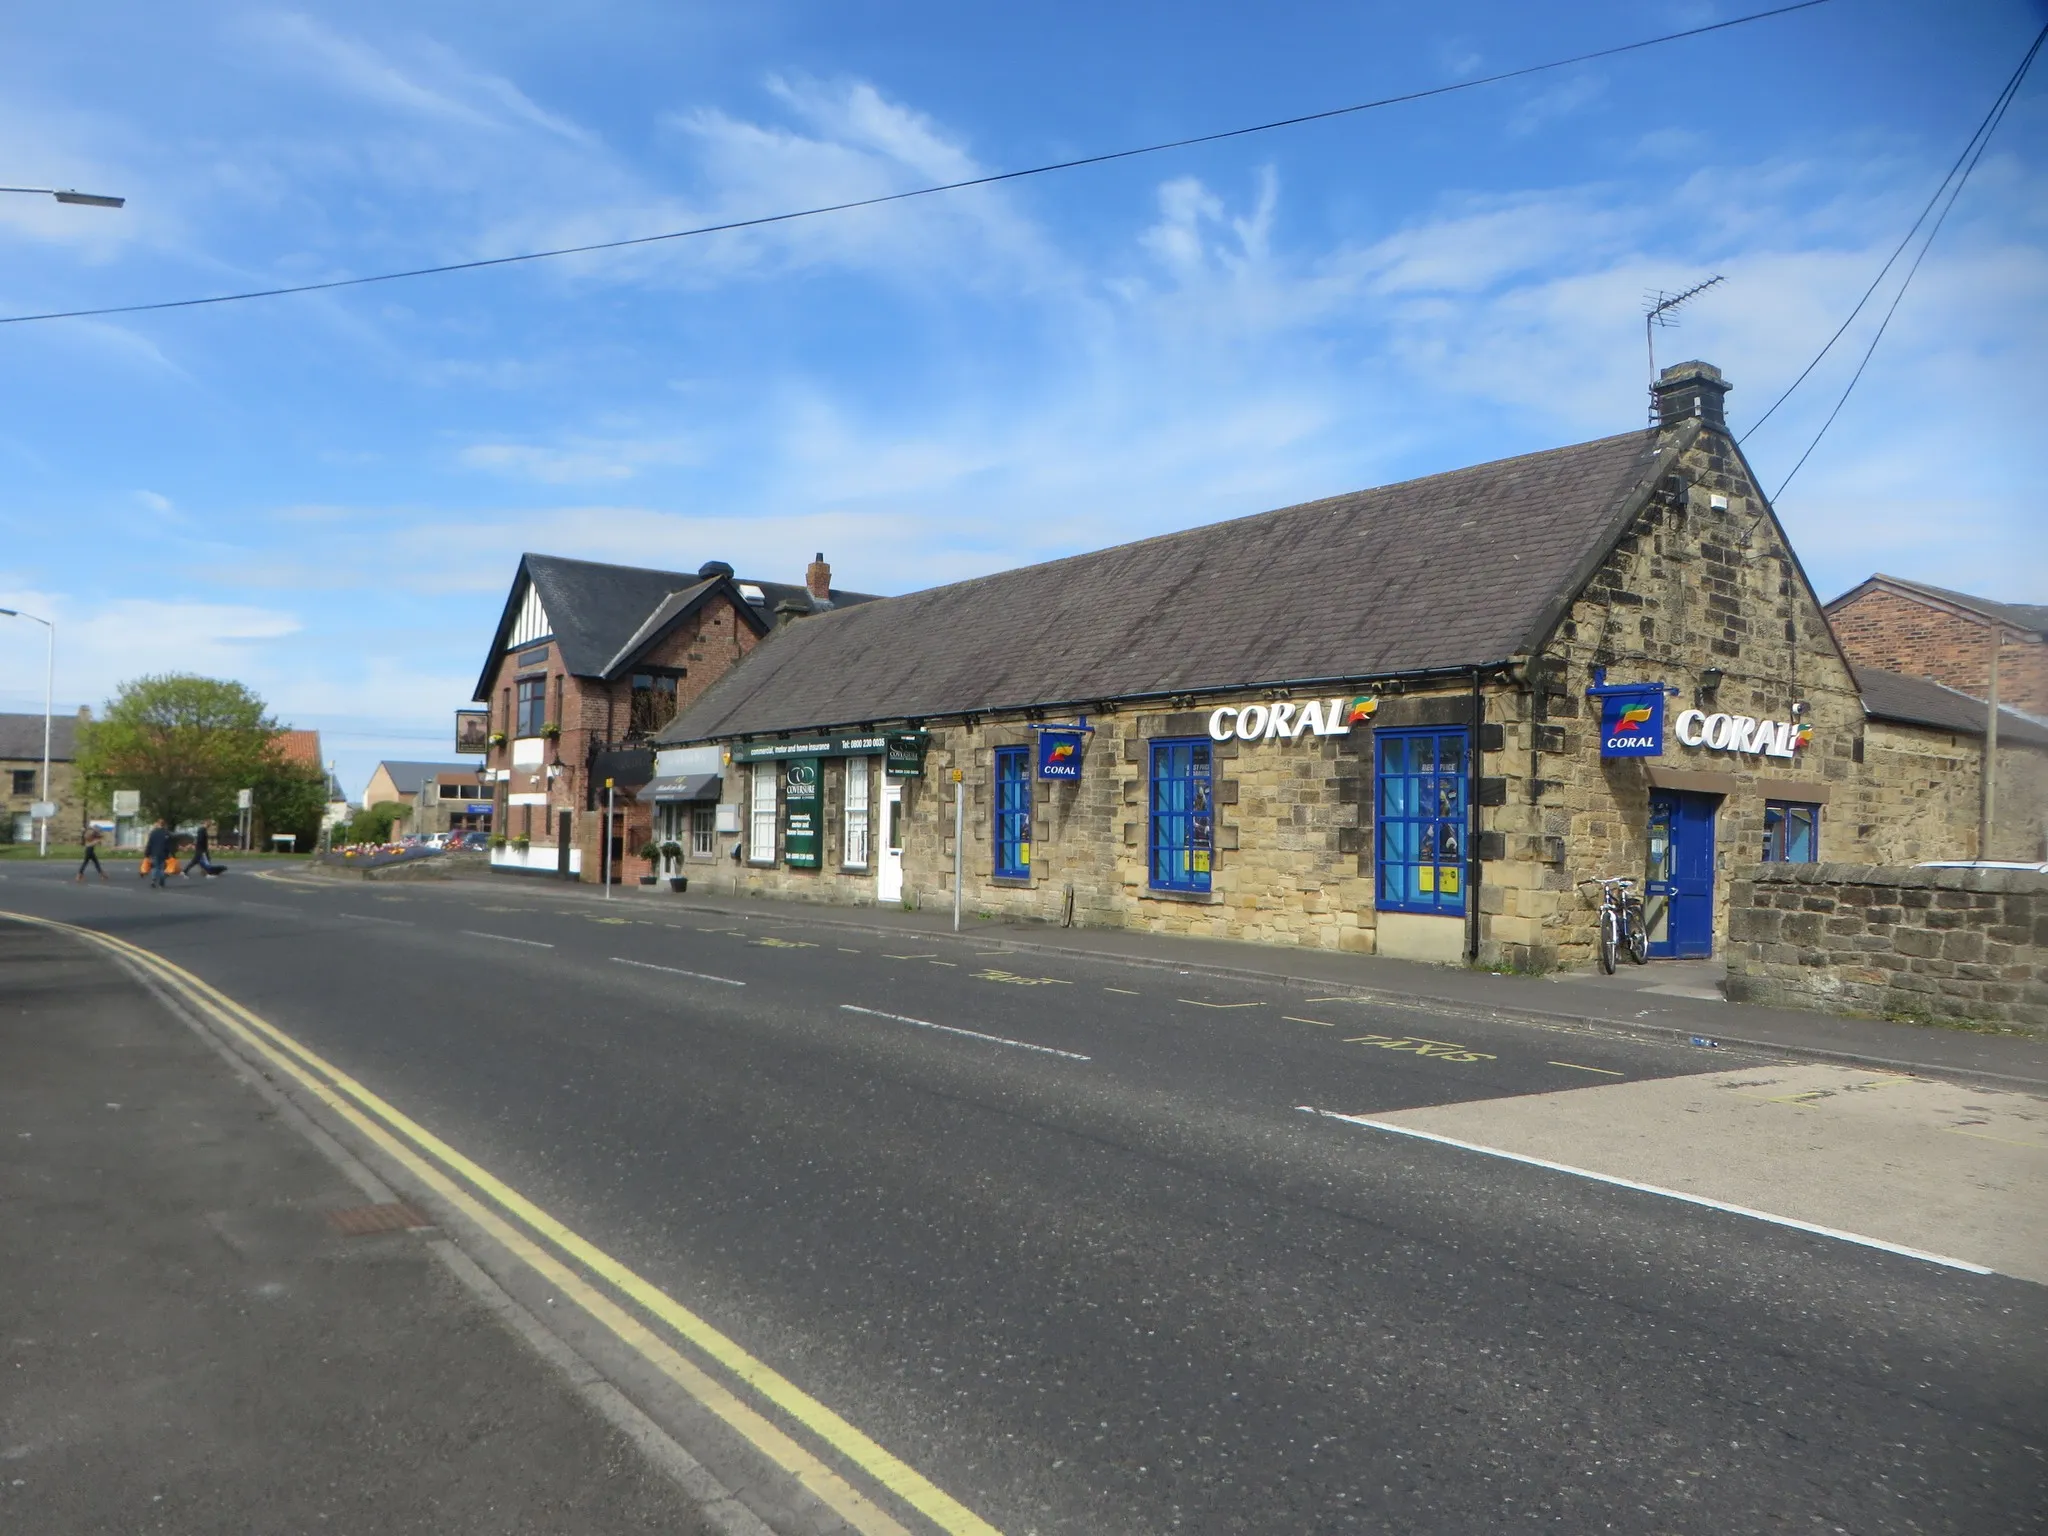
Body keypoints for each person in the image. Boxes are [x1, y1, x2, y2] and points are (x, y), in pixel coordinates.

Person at [142, 818, 173, 889]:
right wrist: (170, 853)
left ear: (158, 824)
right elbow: (169, 845)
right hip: (163, 853)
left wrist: (147, 853)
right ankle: (161, 882)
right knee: (162, 868)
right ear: (164, 824)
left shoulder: (153, 833)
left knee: (155, 867)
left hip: (154, 853)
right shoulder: (167, 833)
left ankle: (153, 880)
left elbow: (149, 844)